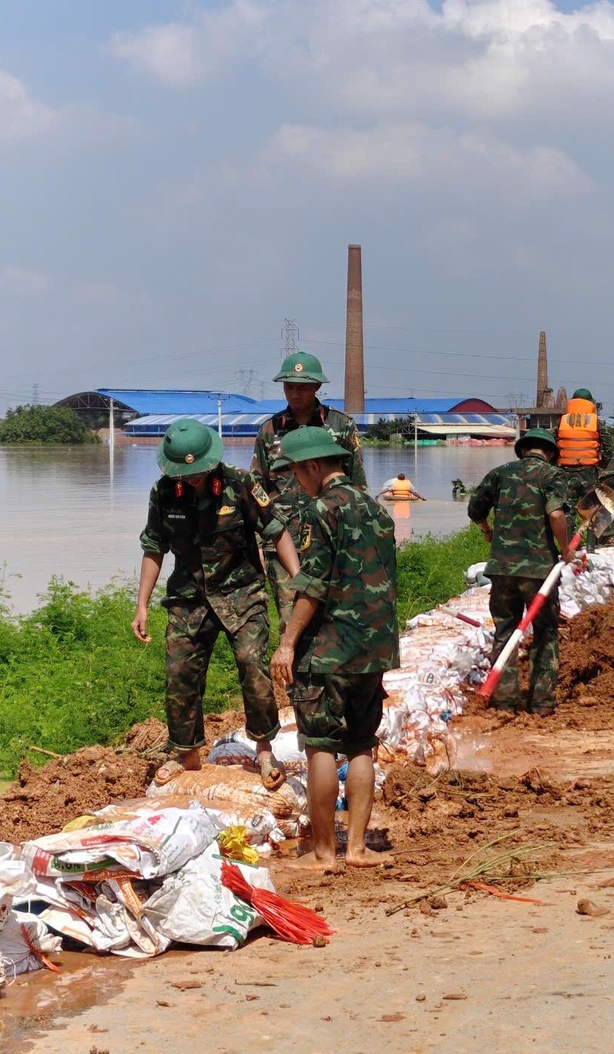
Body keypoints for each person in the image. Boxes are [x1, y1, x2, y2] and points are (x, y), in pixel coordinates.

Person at [269, 426, 398, 871]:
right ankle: (359, 848)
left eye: (296, 473)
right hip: (374, 647)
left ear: (312, 466)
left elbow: (313, 584)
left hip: (329, 649)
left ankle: (325, 853)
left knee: (321, 745)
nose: (295, 483)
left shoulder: (319, 511)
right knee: (362, 744)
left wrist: (287, 644)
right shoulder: (377, 509)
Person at [131, 420, 284, 787]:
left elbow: (276, 532)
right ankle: (186, 754)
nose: (193, 478)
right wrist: (141, 606)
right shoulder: (164, 492)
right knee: (180, 674)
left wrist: (294, 586)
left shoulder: (242, 485)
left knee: (252, 666)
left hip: (241, 594)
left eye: (198, 471)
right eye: (186, 473)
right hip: (189, 599)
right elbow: (154, 547)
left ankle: (264, 751)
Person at [467, 429, 582, 715]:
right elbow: (556, 514)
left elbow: (475, 509)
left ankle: (505, 700)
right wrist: (566, 548)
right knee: (545, 632)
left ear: (522, 450)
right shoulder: (553, 476)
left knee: (505, 630)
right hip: (539, 570)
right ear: (551, 452)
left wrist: (487, 531)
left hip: (502, 569)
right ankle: (541, 702)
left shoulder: (500, 473)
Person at [251, 352, 366, 623]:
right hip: (282, 538)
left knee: (335, 613)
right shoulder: (270, 430)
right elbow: (257, 487)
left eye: (302, 387)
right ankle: (291, 663)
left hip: (331, 534)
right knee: (290, 617)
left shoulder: (340, 426)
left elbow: (357, 484)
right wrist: (258, 538)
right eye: (288, 387)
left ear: (317, 387)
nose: (294, 393)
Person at [556, 387, 614, 548]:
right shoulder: (594, 422)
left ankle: (567, 548)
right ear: (590, 403)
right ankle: (591, 546)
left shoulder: (562, 421)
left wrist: (558, 465)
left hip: (566, 472)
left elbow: (553, 446)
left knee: (568, 511)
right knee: (593, 509)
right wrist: (599, 464)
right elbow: (608, 449)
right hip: (589, 472)